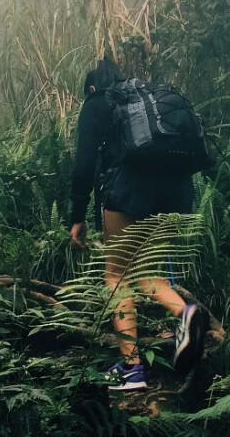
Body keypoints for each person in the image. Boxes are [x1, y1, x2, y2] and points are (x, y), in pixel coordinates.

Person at [68, 57, 209, 391]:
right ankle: (186, 311)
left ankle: (131, 370)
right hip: (177, 185)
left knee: (117, 276)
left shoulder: (98, 101)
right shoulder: (144, 99)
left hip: (130, 186)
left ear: (91, 86)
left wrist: (76, 216)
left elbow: (84, 164)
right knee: (149, 272)